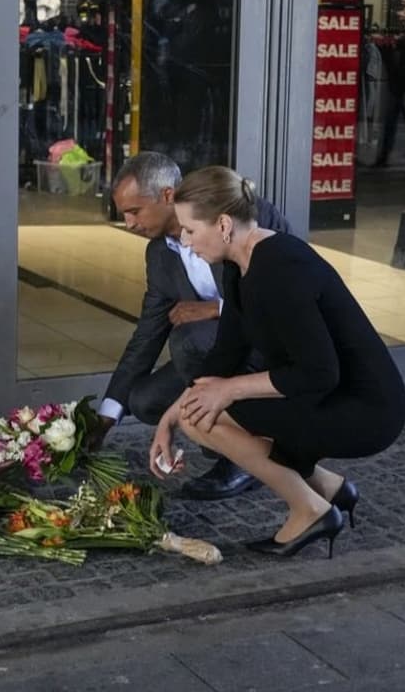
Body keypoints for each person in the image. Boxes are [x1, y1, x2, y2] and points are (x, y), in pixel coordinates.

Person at [149, 166, 405, 557]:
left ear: (221, 224)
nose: (185, 242)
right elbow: (225, 355)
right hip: (325, 394)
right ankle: (328, 489)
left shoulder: (279, 267)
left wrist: (228, 390)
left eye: (189, 230)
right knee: (192, 412)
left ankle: (310, 511)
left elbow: (319, 371)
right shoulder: (241, 265)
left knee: (200, 416)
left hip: (366, 408)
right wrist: (169, 416)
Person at [89, 151, 290, 500]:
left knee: (190, 340)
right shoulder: (159, 254)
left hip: (271, 349)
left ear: (168, 196)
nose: (130, 223)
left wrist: (218, 308)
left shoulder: (240, 211)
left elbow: (292, 287)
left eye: (135, 211)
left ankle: (242, 458)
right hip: (223, 353)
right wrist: (105, 418)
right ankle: (229, 432)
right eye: (124, 214)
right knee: (144, 400)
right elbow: (146, 337)